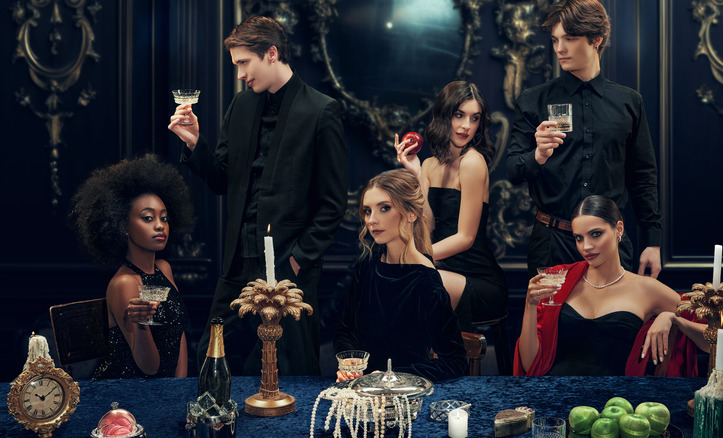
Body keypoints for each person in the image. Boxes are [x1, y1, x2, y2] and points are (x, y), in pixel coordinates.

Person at [168, 16, 347, 376]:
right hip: (238, 263)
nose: (239, 74)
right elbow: (221, 180)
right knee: (213, 358)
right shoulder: (241, 106)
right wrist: (195, 143)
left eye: (244, 63)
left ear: (271, 53)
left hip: (289, 268)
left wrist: (298, 259)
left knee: (292, 369)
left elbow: (332, 203)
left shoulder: (321, 110)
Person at [506, 0, 662, 278]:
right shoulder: (533, 100)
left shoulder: (629, 102)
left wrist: (653, 242)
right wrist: (538, 155)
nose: (559, 48)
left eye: (569, 38)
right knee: (551, 310)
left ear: (596, 39)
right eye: (555, 40)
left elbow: (643, 176)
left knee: (616, 309)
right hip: (552, 243)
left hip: (611, 245)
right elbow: (513, 171)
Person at [513, 195, 711, 376]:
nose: (586, 246)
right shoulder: (559, 280)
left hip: (614, 401)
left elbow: (718, 344)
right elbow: (530, 365)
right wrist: (530, 305)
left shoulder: (647, 289)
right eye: (579, 238)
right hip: (555, 395)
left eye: (596, 234)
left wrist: (673, 319)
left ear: (619, 229)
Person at [333, 169, 467, 382]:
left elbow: (455, 362)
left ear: (412, 213)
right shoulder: (367, 265)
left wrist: (390, 377)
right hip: (360, 387)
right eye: (367, 211)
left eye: (384, 208)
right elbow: (346, 331)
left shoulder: (425, 280)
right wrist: (349, 364)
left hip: (405, 393)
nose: (371, 220)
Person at [396, 81, 508, 330]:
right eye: (459, 115)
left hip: (477, 279)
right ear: (444, 115)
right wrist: (416, 173)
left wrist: (417, 257)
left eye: (474, 118)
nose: (467, 126)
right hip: (441, 270)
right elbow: (428, 226)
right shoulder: (428, 165)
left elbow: (465, 238)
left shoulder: (472, 162)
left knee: (412, 281)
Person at [71, 154, 194, 379]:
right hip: (127, 391)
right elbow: (149, 367)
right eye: (148, 218)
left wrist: (180, 387)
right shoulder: (124, 283)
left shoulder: (164, 268)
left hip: (166, 390)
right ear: (123, 226)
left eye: (164, 218)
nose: (160, 226)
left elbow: (179, 332)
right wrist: (141, 323)